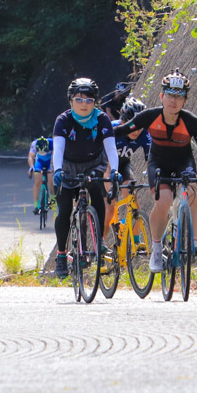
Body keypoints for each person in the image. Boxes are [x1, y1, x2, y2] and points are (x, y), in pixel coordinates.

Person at [114, 69, 197, 272]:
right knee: (164, 201)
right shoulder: (150, 116)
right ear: (161, 96)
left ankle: (193, 245)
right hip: (158, 162)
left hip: (183, 162)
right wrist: (98, 131)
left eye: (179, 96)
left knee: (192, 194)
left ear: (185, 100)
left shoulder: (191, 121)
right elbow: (122, 130)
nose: (173, 101)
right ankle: (157, 248)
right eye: (169, 95)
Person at [51, 77, 120, 278]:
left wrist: (114, 170)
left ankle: (98, 241)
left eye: (89, 100)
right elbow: (58, 148)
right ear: (70, 100)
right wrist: (57, 170)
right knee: (64, 210)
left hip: (93, 164)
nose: (84, 104)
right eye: (79, 99)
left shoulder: (102, 119)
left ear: (95, 102)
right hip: (66, 166)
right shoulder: (63, 120)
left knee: (97, 193)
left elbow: (111, 148)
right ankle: (62, 255)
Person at [105, 96, 152, 233]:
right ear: (123, 121)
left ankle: (136, 243)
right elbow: (106, 165)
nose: (136, 131)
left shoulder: (144, 134)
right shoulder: (113, 130)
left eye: (140, 127)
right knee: (111, 198)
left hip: (124, 164)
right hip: (106, 165)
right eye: (133, 126)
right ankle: (114, 225)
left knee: (133, 199)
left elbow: (150, 162)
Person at [27, 135, 54, 214]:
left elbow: (56, 155)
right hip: (40, 162)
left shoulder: (52, 143)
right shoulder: (34, 144)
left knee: (51, 180)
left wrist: (53, 167)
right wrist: (31, 167)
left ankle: (52, 199)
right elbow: (30, 157)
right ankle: (36, 206)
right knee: (37, 182)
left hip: (50, 162)